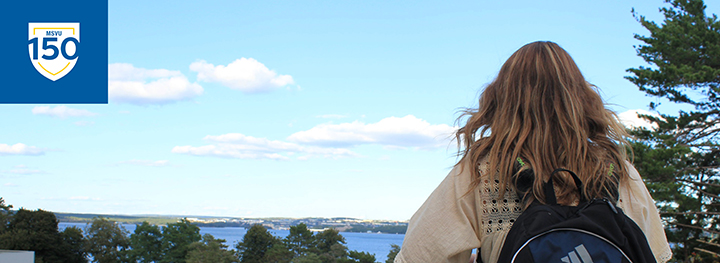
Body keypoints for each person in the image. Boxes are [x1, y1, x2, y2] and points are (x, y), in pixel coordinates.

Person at [394, 41, 672, 263]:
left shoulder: (486, 170)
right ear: (581, 98)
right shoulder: (617, 170)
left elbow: (420, 254)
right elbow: (655, 254)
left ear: (501, 98)